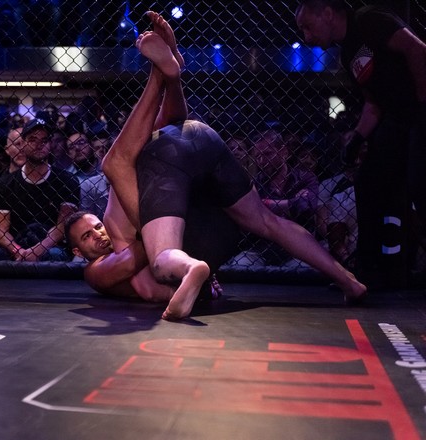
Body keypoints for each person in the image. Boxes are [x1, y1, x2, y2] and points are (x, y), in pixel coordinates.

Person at [66, 12, 366, 321]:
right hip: (206, 171)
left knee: (154, 231)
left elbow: (165, 130)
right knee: (266, 222)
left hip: (195, 197)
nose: (98, 234)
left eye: (95, 227)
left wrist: (168, 251)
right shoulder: (96, 272)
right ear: (77, 253)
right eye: (87, 237)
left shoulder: (119, 220)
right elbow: (141, 279)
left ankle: (347, 280)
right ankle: (167, 73)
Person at [296, 0, 426, 288]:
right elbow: (373, 104)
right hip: (398, 118)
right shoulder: (348, 53)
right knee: (368, 179)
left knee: (419, 183)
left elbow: (418, 50)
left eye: (308, 27)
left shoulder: (370, 20)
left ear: (327, 13)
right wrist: (357, 137)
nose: (306, 37)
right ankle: (369, 269)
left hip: (418, 109)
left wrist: (423, 104)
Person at [230, 129, 320, 268]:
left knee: (304, 268)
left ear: (284, 152)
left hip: (298, 248)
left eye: (267, 154)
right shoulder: (254, 184)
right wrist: (292, 203)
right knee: (240, 265)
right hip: (260, 249)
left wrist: (264, 204)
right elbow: (251, 215)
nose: (262, 161)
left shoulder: (305, 178)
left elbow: (306, 207)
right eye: (258, 156)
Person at [0, 118, 80, 262]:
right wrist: (18, 250)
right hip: (18, 243)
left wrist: (37, 250)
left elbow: (62, 227)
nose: (39, 145)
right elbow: (1, 232)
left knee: (54, 255)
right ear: (23, 143)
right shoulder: (5, 183)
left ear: (50, 144)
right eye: (33, 140)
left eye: (44, 140)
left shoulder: (67, 180)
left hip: (51, 246)